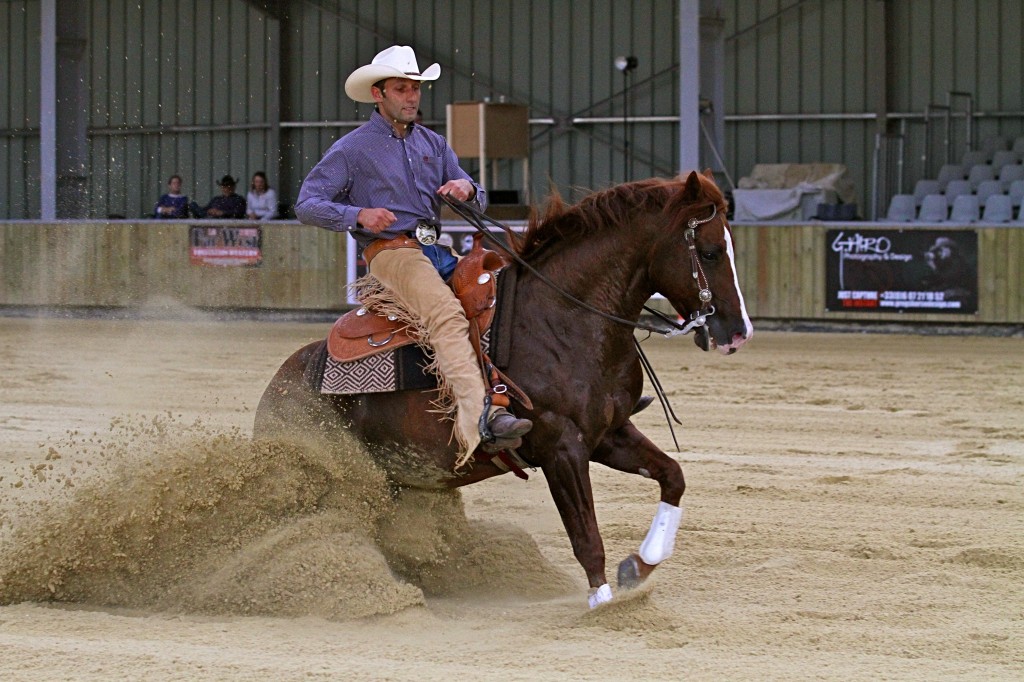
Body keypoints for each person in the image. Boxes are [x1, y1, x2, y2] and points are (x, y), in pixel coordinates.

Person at [295, 45, 532, 464]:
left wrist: (467, 190)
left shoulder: (434, 144)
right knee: (445, 312)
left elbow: (474, 193)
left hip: (433, 250)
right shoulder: (352, 149)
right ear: (378, 94)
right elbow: (308, 203)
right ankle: (481, 418)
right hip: (391, 253)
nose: (411, 96)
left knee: (504, 296)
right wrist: (358, 214)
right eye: (401, 88)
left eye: (416, 89)